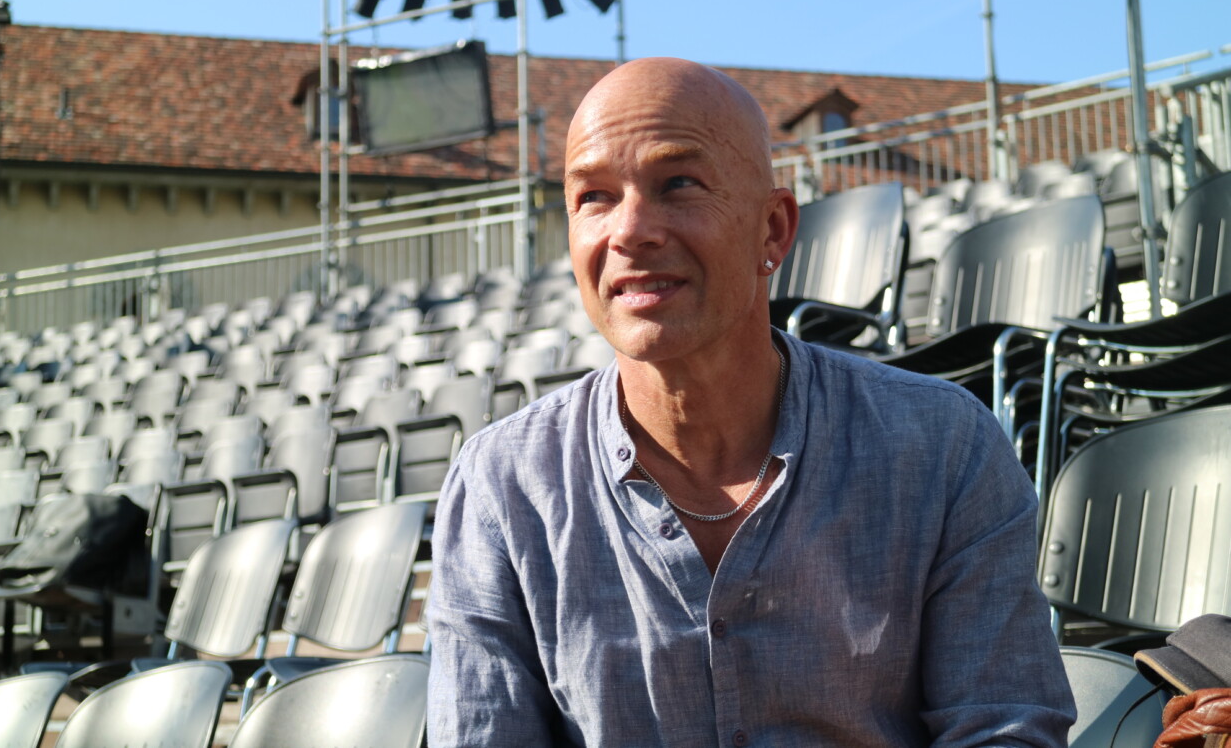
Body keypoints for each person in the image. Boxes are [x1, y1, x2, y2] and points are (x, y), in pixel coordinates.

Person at [427, 57, 1075, 747]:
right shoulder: (501, 483)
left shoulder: (944, 448)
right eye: (594, 197)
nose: (630, 230)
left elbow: (1003, 729)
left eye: (678, 183)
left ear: (773, 229)